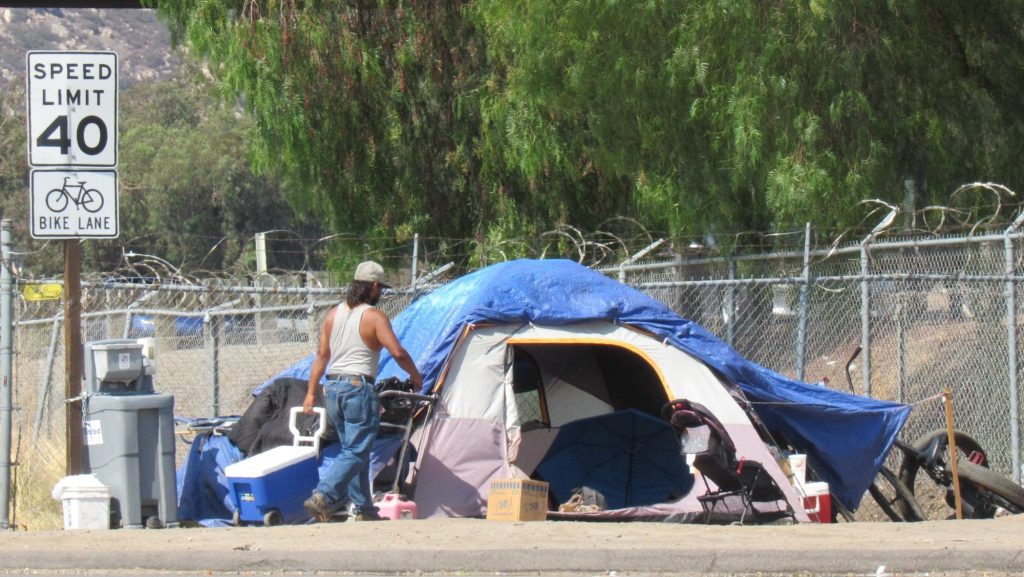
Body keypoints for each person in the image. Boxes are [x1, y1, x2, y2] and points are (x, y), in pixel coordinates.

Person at [302, 260, 423, 522]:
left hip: (332, 389)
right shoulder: (374, 317)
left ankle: (365, 510)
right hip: (357, 388)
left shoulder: (333, 315)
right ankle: (324, 495)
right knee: (357, 450)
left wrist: (311, 393)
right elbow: (398, 352)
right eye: (381, 289)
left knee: (354, 449)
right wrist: (415, 376)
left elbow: (322, 357)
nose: (381, 295)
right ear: (374, 287)